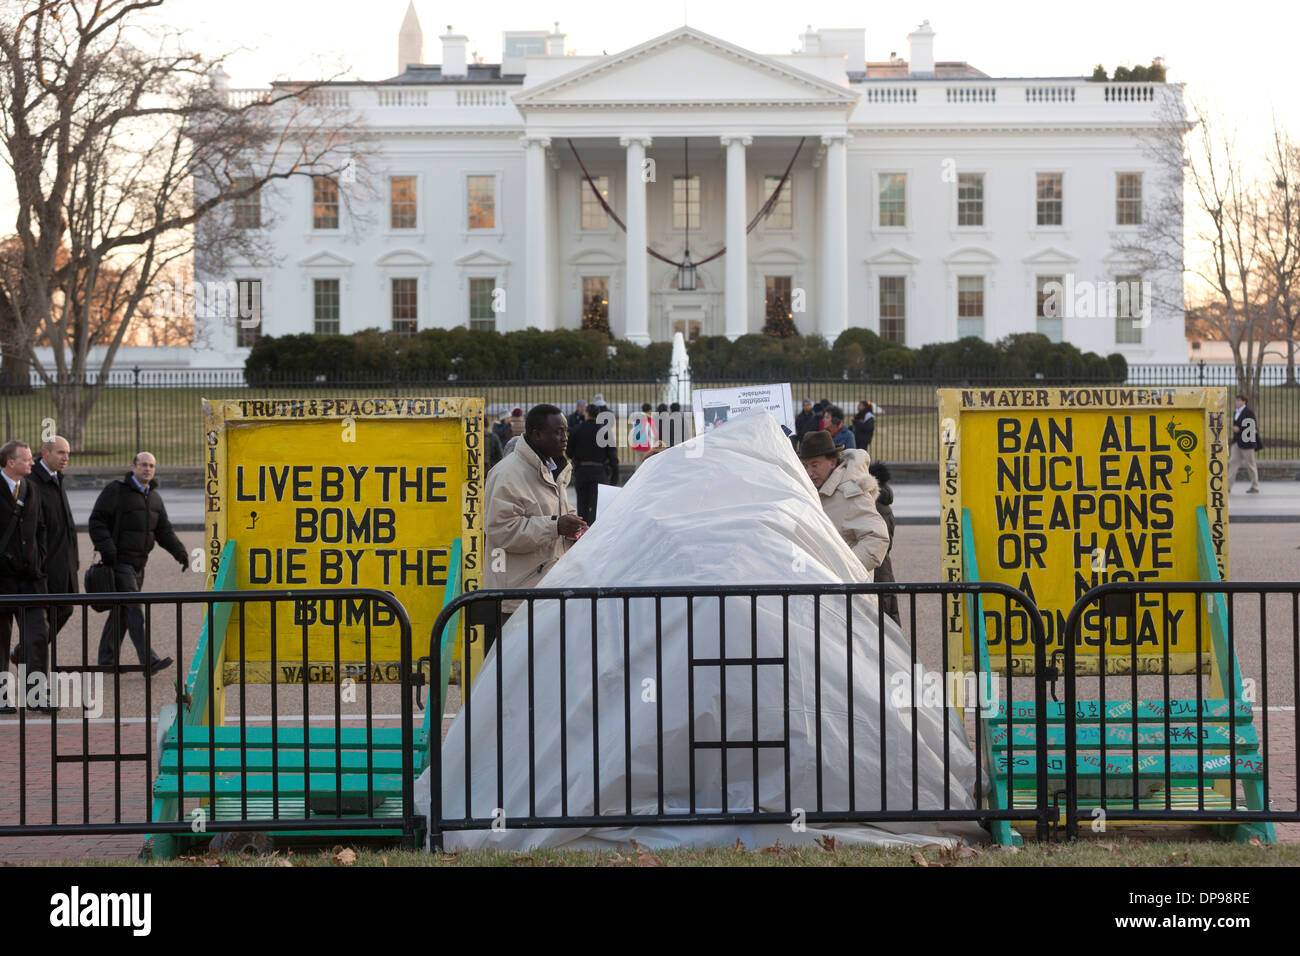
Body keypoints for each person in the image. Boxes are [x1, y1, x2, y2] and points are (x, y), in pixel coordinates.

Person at [89, 452, 188, 675]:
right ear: (132, 466)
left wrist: (179, 552)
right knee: (134, 609)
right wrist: (108, 550)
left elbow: (164, 531)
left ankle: (106, 660)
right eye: (143, 465)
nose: (147, 469)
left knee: (122, 612)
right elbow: (96, 521)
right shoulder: (116, 491)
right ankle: (149, 660)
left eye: (151, 465)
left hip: (138, 565)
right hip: (119, 563)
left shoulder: (154, 497)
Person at [484, 404, 587, 615]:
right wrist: (556, 526)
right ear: (537, 434)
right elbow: (502, 530)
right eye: (558, 432)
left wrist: (574, 525)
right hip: (515, 599)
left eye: (565, 431)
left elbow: (550, 513)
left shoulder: (551, 469)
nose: (564, 437)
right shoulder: (507, 473)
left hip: (544, 592)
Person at [0, 441, 51, 712]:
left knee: (37, 637)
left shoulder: (32, 488)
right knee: (0, 641)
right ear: (11, 462)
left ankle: (37, 696)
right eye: (27, 459)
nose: (32, 463)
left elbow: (40, 527)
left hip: (31, 577)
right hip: (2, 580)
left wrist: (39, 557)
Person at [797, 431, 889, 575]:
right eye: (805, 466)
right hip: (817, 587)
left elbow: (877, 538)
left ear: (832, 462)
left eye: (815, 465)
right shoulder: (808, 491)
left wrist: (844, 571)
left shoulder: (851, 493)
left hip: (844, 592)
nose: (809, 473)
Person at [28, 436, 78, 643]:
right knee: (42, 617)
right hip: (44, 564)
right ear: (46, 453)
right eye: (61, 452)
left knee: (65, 609)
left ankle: (28, 650)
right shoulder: (32, 481)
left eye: (68, 453)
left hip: (64, 562)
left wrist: (73, 560)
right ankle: (32, 656)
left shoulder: (57, 478)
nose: (66, 457)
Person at [568, 403, 619, 525]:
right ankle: (593, 529)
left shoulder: (577, 429)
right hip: (599, 471)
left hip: (582, 471)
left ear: (586, 414)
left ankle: (582, 530)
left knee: (582, 504)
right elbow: (613, 456)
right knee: (597, 505)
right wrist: (614, 476)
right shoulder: (605, 431)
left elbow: (569, 452)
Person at [868, 461, 900, 626]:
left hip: (878, 569)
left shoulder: (873, 503)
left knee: (882, 624)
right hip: (884, 567)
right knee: (889, 619)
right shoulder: (883, 501)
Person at [1229, 393, 1261, 494]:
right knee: (1232, 463)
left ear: (1244, 402)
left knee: (1250, 465)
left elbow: (1252, 425)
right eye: (1236, 400)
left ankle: (1255, 486)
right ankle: (1227, 487)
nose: (1236, 402)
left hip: (1247, 442)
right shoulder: (1236, 412)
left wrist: (1239, 429)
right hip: (1237, 442)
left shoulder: (1249, 412)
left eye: (1239, 400)